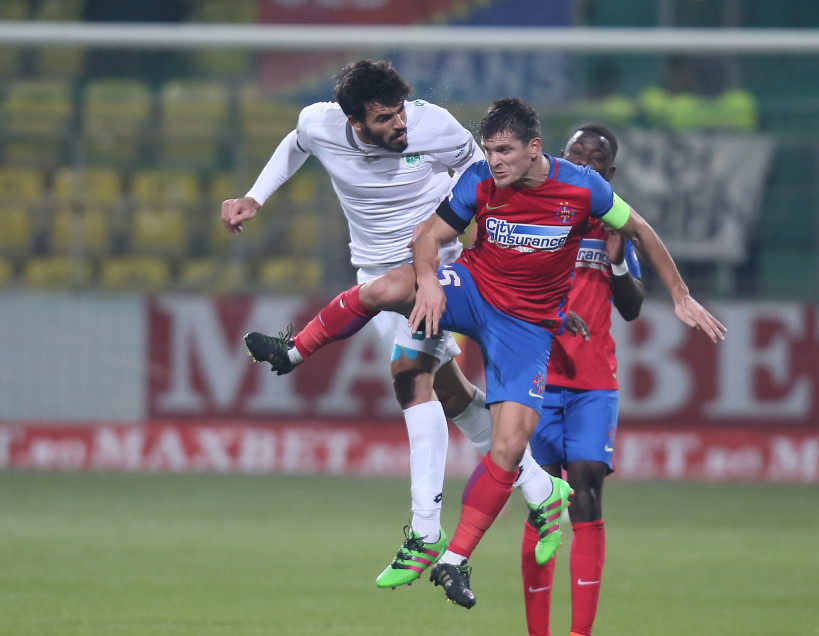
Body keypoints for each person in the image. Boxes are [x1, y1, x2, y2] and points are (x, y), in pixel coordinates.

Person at [251, 97, 726, 609]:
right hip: (473, 289)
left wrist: (679, 294)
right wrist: (429, 282)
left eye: (504, 151)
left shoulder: (584, 187)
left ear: (534, 149)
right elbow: (429, 235)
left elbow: (641, 230)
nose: (493, 160)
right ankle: (295, 351)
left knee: (507, 445)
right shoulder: (479, 180)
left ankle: (454, 558)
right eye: (489, 150)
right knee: (384, 290)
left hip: (524, 327)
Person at [221, 60, 561, 590]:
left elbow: (484, 181)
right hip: (374, 273)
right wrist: (254, 198)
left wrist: (481, 258)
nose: (400, 125)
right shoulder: (320, 124)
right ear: (354, 123)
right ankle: (541, 490)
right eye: (385, 119)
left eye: (400, 112)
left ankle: (426, 531)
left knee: (410, 379)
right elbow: (294, 144)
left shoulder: (435, 126)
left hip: (435, 270)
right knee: (454, 396)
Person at [520, 123, 643, 636]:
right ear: (559, 158)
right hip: (538, 377)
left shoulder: (614, 227)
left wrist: (615, 266)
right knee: (544, 502)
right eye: (577, 154)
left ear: (609, 174)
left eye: (598, 159)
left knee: (587, 486)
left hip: (594, 380)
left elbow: (633, 307)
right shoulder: (531, 215)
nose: (587, 164)